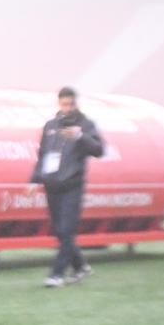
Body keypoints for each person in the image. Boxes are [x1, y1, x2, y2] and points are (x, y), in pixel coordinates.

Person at [30, 86, 105, 288]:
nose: (68, 108)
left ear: (76, 103)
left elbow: (99, 150)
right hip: (52, 185)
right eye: (64, 104)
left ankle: (57, 274)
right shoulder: (51, 126)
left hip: (73, 185)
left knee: (66, 229)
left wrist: (81, 137)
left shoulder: (85, 125)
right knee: (59, 231)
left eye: (71, 104)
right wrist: (35, 179)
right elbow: (43, 154)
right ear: (59, 104)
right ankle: (80, 265)